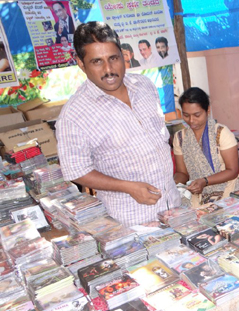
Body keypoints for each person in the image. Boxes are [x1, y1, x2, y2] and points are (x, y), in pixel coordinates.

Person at [56, 22, 181, 226]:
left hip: (173, 206)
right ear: (80, 63)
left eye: (113, 58)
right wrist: (128, 187)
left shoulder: (144, 86)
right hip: (132, 220)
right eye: (97, 61)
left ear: (122, 55)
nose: (108, 69)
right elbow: (76, 170)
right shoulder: (74, 115)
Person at [173, 87, 239, 207]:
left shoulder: (221, 133)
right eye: (186, 115)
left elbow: (232, 171)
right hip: (197, 193)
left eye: (197, 115)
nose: (191, 120)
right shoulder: (180, 138)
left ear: (207, 111)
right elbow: (182, 173)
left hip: (228, 190)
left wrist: (205, 181)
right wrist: (172, 184)